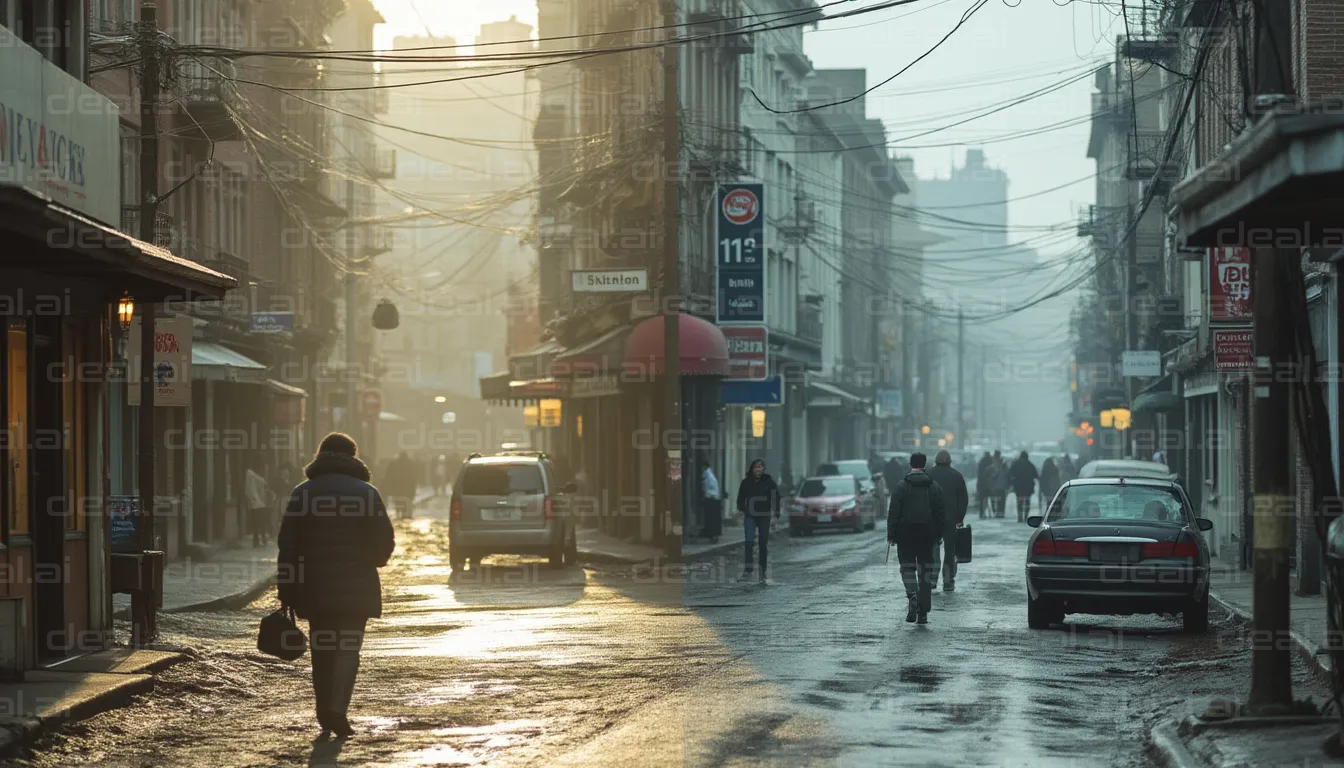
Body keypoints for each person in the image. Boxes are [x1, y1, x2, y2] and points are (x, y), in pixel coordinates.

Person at [277, 432, 396, 738]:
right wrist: (374, 561)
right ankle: (338, 711)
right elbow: (385, 540)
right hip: (357, 588)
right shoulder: (367, 492)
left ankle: (323, 710)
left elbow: (287, 546)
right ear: (353, 457)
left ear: (320, 456)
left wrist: (287, 589)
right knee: (347, 650)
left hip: (315, 589)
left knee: (322, 649)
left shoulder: (302, 492)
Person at [887, 452, 946, 624]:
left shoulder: (901, 486)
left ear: (910, 465)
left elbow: (894, 513)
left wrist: (891, 535)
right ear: (925, 465)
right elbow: (940, 513)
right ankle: (924, 612)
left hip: (905, 534)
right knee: (925, 571)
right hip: (927, 535)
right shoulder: (934, 487)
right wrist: (938, 534)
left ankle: (912, 595)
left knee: (907, 567)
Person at [927, 450, 968, 593]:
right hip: (950, 520)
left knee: (933, 549)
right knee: (950, 551)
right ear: (950, 461)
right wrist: (960, 517)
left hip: (932, 520)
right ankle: (948, 580)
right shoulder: (956, 476)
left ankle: (932, 579)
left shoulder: (928, 475)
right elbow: (963, 499)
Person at [736, 459, 780, 584]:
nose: (758, 469)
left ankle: (762, 571)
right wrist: (742, 509)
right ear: (752, 469)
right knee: (749, 542)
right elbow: (740, 498)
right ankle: (748, 570)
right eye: (756, 467)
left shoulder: (769, 482)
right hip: (750, 516)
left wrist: (776, 514)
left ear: (763, 469)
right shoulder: (746, 483)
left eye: (760, 467)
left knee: (762, 544)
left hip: (764, 516)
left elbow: (776, 497)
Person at [245, 463, 274, 547]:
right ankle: (259, 539)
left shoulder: (255, 476)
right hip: (257, 502)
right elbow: (252, 490)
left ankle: (259, 539)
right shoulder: (252, 475)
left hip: (260, 502)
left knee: (259, 522)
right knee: (259, 522)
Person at [384, 451, 417, 519]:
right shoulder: (411, 463)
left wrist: (389, 485)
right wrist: (414, 486)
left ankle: (398, 512)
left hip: (397, 486)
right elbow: (414, 476)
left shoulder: (394, 463)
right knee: (407, 500)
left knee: (398, 500)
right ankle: (406, 514)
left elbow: (388, 475)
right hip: (408, 486)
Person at [1009, 451, 1039, 523]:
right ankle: (1025, 517)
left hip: (1018, 487)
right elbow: (1036, 475)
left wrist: (1011, 483)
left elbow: (1010, 473)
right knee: (1027, 502)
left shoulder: (1016, 464)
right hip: (1028, 487)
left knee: (1019, 502)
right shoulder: (1030, 464)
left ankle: (1020, 517)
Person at [700, 458, 723, 542]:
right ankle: (712, 535)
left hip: (712, 500)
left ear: (705, 466)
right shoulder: (708, 475)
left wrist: (706, 497)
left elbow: (708, 488)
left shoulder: (708, 476)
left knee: (712, 519)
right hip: (713, 499)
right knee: (711, 519)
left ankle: (713, 536)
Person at [975, 452, 993, 518]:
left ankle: (982, 513)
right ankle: (989, 512)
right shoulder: (991, 462)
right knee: (988, 499)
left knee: (982, 499)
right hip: (988, 484)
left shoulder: (981, 462)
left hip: (981, 484)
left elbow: (979, 474)